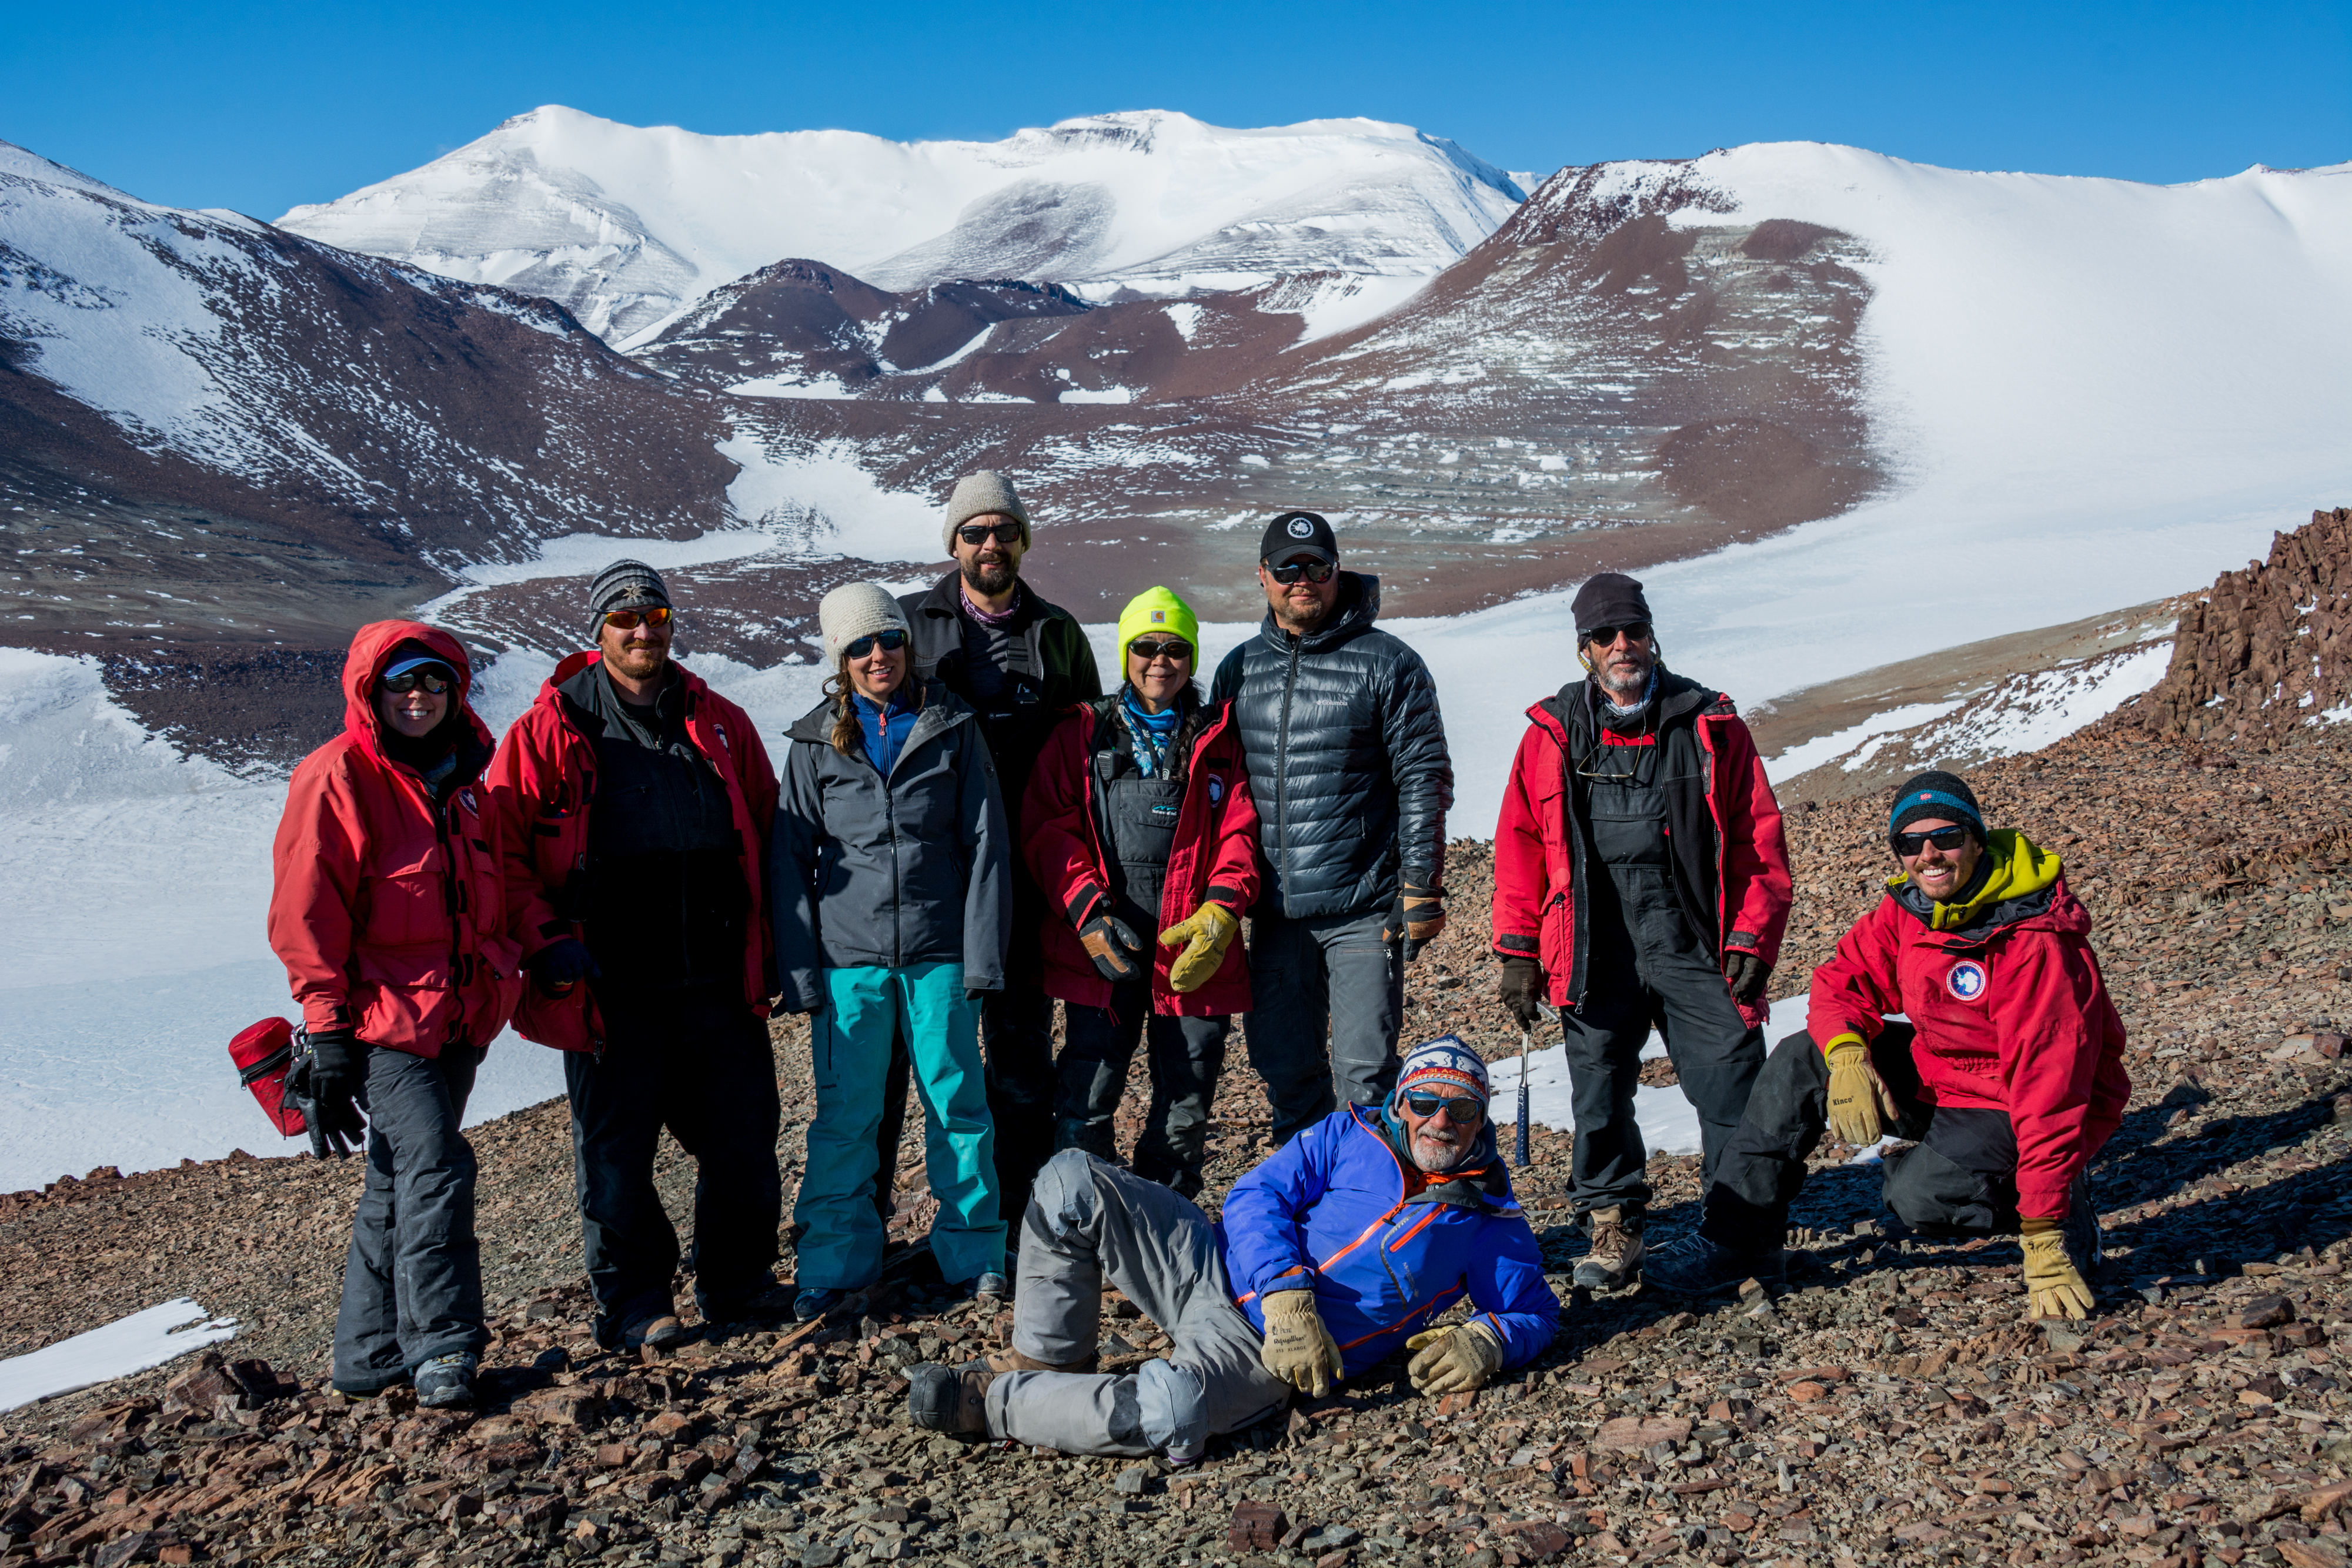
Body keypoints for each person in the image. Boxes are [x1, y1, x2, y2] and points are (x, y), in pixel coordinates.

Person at [901, 1038, 1558, 1458]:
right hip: (1206, 1262)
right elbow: (1253, 1196)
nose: (1442, 1120)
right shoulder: (1347, 1134)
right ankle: (1051, 1365)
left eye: (1462, 1109)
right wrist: (1287, 1290)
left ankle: (993, 1404)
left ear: (1482, 1121)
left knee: (1171, 1410)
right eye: (1426, 1100)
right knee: (1071, 1180)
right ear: (1400, 1102)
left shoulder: (1489, 1221)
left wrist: (1488, 1341)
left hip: (1266, 1357)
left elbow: (1531, 1309)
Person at [1643, 771, 2127, 1318]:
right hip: (1946, 1079)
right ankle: (1738, 1240)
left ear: (1974, 838)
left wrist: (2045, 1234)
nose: (1929, 855)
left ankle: (2059, 1208)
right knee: (1804, 1056)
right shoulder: (1911, 910)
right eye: (1909, 843)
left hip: (2016, 1105)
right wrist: (1848, 1054)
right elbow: (1840, 980)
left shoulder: (2035, 944)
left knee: (1921, 1198)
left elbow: (2051, 1095)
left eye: (1945, 837)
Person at [487, 560, 783, 1350]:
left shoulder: (717, 720)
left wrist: (778, 941)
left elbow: (764, 823)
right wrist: (545, 938)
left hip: (717, 976)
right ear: (598, 631)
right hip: (610, 985)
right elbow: (506, 854)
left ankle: (737, 1279)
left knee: (744, 1134)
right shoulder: (550, 731)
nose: (643, 629)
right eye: (624, 618)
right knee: (617, 1152)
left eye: (654, 614)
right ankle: (634, 1300)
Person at [1490, 570, 1791, 1291]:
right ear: (1583, 649)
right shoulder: (1551, 735)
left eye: (1632, 630)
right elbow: (1521, 846)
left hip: (1693, 936)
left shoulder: (1709, 724)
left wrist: (1751, 937)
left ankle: (1739, 1240)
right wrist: (1518, 952)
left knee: (1730, 1085)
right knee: (1597, 1094)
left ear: (1651, 635)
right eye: (1604, 635)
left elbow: (1758, 840)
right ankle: (1612, 1225)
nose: (1621, 645)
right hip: (1596, 942)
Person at [269, 621, 522, 1407]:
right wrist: (328, 1026)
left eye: (434, 683)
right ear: (372, 693)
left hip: (455, 1019)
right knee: (437, 1162)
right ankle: (443, 1344)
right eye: (402, 684)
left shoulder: (464, 777)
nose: (419, 697)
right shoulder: (338, 774)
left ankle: (368, 1352)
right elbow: (306, 909)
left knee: (398, 1175)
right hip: (380, 1022)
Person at [773, 583, 1012, 1319]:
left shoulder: (951, 726)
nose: (879, 656)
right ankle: (831, 1266)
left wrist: (983, 958)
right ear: (839, 660)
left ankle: (975, 1257)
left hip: (940, 956)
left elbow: (985, 845)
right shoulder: (814, 743)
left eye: (889, 640)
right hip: (851, 965)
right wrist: (801, 973)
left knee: (957, 1108)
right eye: (860, 646)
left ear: (907, 646)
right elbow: (789, 862)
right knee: (846, 1118)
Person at [897, 472, 1104, 1236]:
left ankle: (1022, 1213)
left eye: (1003, 530)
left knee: (1020, 1054)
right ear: (953, 543)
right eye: (975, 531)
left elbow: (1092, 758)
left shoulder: (1057, 634)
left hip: (1022, 881)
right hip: (930, 881)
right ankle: (948, 1219)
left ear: (1022, 539)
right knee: (929, 1061)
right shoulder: (911, 631)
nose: (990, 544)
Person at [1210, 510, 1453, 1147]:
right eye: (1287, 569)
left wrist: (1421, 886)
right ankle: (1306, 1219)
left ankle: (1369, 1225)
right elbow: (1220, 793)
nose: (1303, 581)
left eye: (1316, 567)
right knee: (1286, 1073)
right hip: (1276, 915)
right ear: (1262, 577)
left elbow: (1423, 776)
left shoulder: (1388, 663)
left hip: (1361, 908)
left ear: (1336, 572)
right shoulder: (1238, 671)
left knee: (1364, 1078)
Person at [1023, 586, 1258, 1198]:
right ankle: (1080, 1227)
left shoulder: (1217, 738)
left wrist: (1221, 911)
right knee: (1089, 1090)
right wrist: (1086, 911)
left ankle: (1163, 1230)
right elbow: (1050, 828)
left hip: (1193, 949)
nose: (1161, 661)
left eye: (1175, 648)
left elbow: (1240, 829)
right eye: (1146, 647)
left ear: (1192, 656)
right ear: (1126, 653)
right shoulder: (1080, 731)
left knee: (1187, 1096)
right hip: (1103, 947)